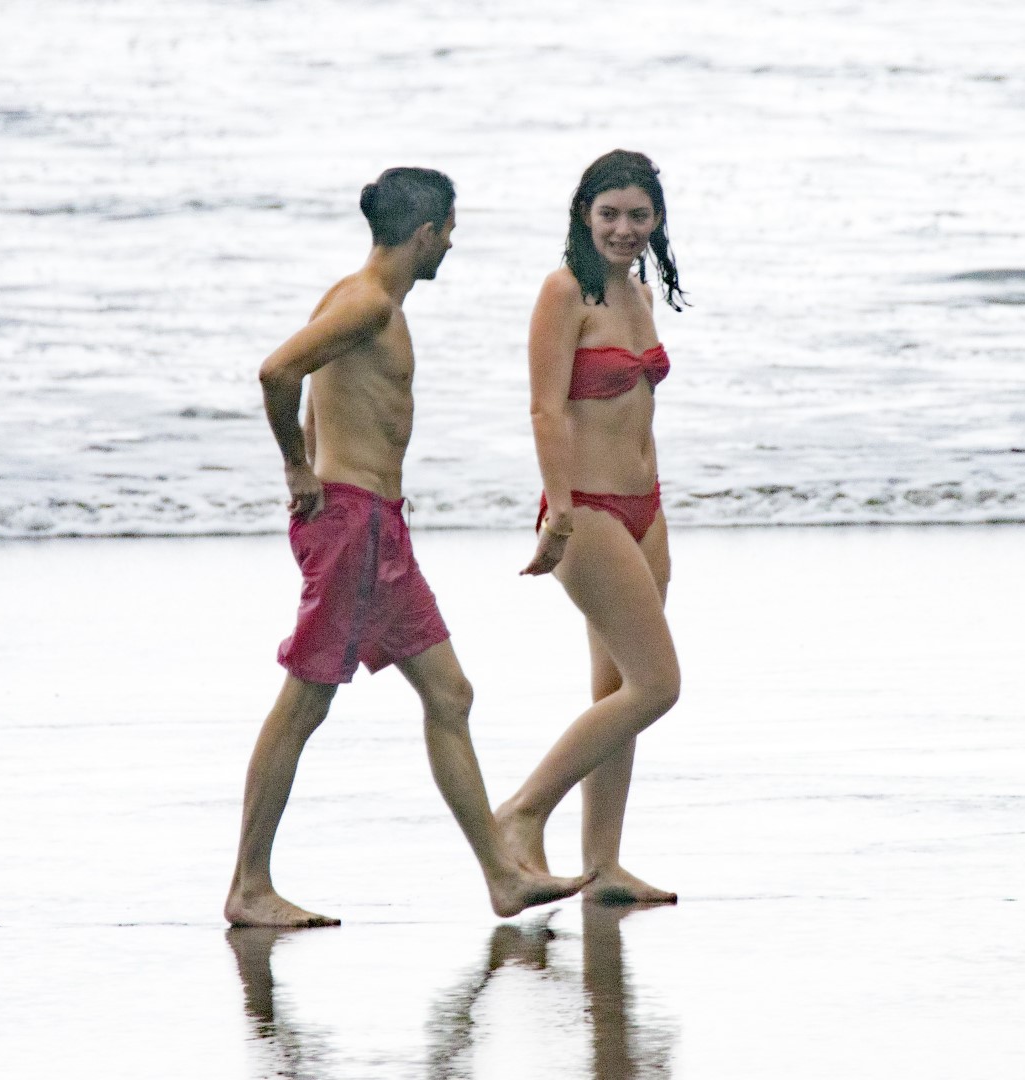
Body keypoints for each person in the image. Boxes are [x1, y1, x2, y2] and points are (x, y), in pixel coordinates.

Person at [224, 167, 589, 928]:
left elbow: (317, 385)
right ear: (425, 233)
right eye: (449, 229)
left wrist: (318, 462)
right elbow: (277, 371)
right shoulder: (367, 303)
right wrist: (300, 469)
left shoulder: (358, 299)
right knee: (305, 700)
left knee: (450, 695)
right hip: (353, 527)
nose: (452, 242)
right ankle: (250, 887)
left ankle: (502, 877)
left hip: (376, 526)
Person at [498, 150, 686, 905]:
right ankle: (521, 813)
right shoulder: (563, 291)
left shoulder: (639, 293)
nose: (624, 228)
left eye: (639, 215)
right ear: (584, 214)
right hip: (587, 510)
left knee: (616, 690)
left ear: (657, 219)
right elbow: (546, 409)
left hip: (646, 510)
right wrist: (560, 511)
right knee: (657, 686)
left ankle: (603, 865)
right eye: (609, 213)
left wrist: (652, 505)